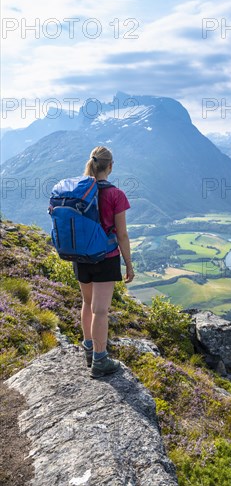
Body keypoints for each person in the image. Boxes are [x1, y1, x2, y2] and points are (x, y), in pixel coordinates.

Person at [72, 146, 135, 378]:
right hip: (105, 258)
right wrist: (128, 263)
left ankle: (88, 348)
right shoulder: (115, 195)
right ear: (110, 166)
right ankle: (100, 360)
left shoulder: (78, 191)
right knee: (101, 310)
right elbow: (122, 234)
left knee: (87, 303)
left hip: (80, 256)